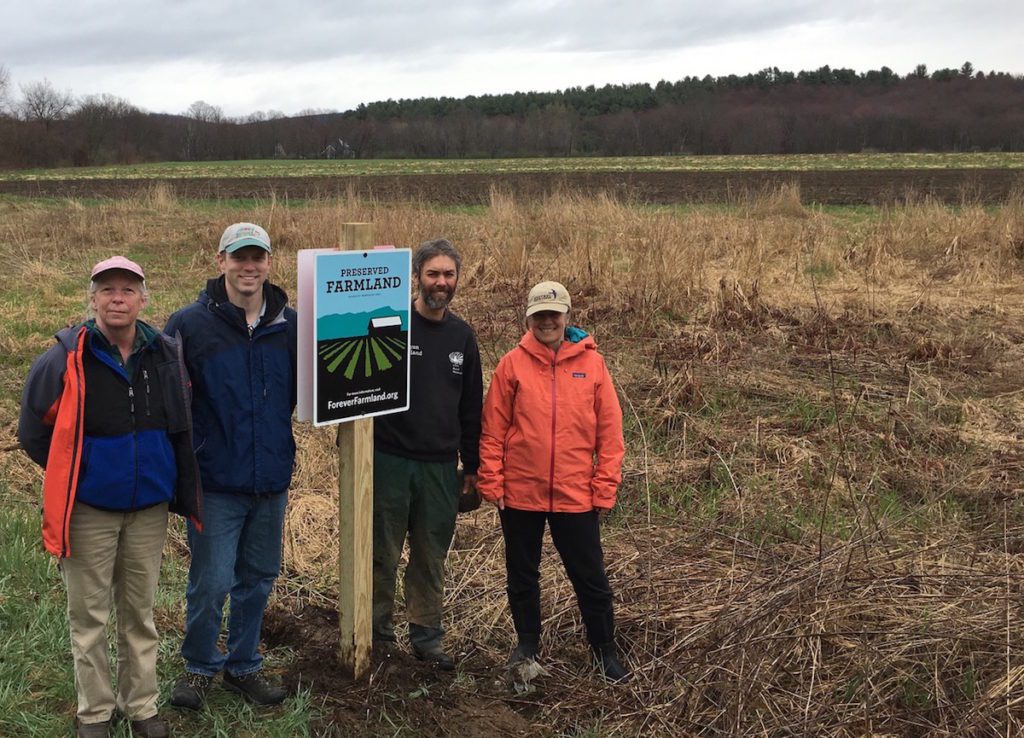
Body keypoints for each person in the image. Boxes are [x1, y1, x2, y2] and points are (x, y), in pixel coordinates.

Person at [18, 256, 201, 738]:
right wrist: (81, 474)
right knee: (89, 616)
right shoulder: (64, 358)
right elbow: (33, 431)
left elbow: (181, 420)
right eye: (107, 290)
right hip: (88, 511)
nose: (117, 299)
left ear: (143, 299)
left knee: (139, 613)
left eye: (127, 290)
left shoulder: (164, 354)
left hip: (148, 510)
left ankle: (141, 706)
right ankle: (95, 713)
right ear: (93, 298)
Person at [164, 222, 297, 710]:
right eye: (239, 257)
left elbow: (305, 394)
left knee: (257, 577)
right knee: (213, 581)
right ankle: (200, 666)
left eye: (257, 257)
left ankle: (243, 666)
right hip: (215, 482)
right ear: (220, 261)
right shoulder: (188, 325)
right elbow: (171, 404)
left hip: (270, 479)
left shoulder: (291, 325)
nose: (249, 266)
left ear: (269, 262)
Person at [477, 280, 630, 682]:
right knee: (522, 575)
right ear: (528, 318)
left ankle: (604, 651)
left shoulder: (593, 365)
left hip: (575, 494)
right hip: (520, 492)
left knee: (590, 577)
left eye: (554, 315)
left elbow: (610, 435)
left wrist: (604, 487)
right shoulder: (511, 364)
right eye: (539, 315)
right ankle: (527, 646)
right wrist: (492, 481)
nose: (547, 322)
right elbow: (493, 429)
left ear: (566, 317)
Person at [372, 238, 483, 668]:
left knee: (430, 555)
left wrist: (471, 465)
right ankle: (378, 634)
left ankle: (426, 636)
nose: (441, 282)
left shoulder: (462, 336)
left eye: (448, 274)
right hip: (390, 459)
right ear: (416, 276)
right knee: (381, 552)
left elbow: (471, 406)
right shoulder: (393, 324)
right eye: (433, 273)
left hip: (440, 466)